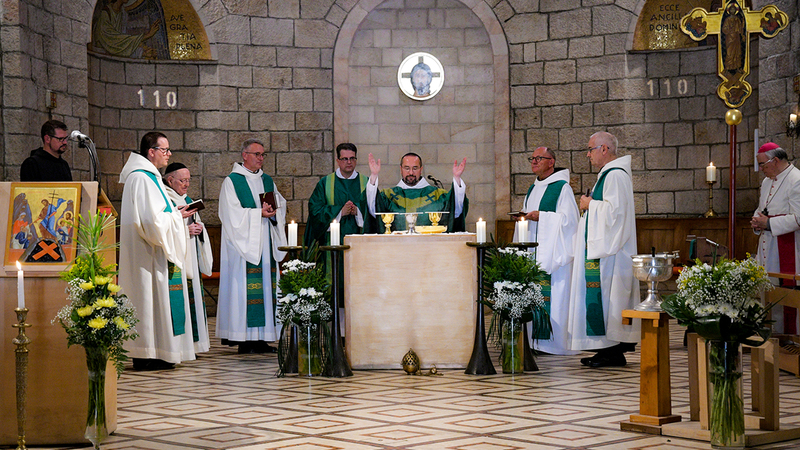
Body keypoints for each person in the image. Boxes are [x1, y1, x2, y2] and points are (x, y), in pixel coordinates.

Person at [119, 132, 196, 370]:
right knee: (148, 300)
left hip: (154, 252)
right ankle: (147, 354)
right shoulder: (141, 178)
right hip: (148, 255)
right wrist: (177, 216)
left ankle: (159, 352)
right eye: (165, 150)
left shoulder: (150, 178)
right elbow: (151, 223)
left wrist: (175, 215)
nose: (169, 154)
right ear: (151, 152)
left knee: (155, 301)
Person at [568, 131, 639, 368]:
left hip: (610, 255)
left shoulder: (615, 176)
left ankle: (611, 351)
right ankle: (606, 350)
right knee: (606, 302)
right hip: (604, 252)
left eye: (590, 149)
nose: (588, 154)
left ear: (604, 149)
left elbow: (615, 215)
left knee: (609, 300)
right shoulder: (608, 175)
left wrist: (590, 204)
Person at [217, 139, 287, 354]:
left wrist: (275, 212)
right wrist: (259, 214)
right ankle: (245, 339)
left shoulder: (267, 180)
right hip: (243, 249)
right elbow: (230, 214)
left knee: (267, 288)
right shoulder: (232, 181)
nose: (260, 158)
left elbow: (280, 203)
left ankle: (263, 338)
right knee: (244, 290)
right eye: (257, 154)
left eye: (263, 154)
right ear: (244, 155)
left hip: (265, 244)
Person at [513, 147, 580, 356]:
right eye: (532, 158)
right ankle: (535, 343)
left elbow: (570, 222)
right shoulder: (533, 188)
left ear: (551, 162)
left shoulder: (562, 188)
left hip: (553, 257)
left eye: (538, 158)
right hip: (534, 253)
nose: (534, 162)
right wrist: (523, 218)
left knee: (554, 296)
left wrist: (542, 216)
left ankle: (553, 344)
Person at [751, 142, 800, 334]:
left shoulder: (796, 179)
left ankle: (788, 344)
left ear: (776, 160)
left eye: (763, 164)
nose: (761, 169)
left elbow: (798, 218)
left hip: (788, 251)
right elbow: (763, 208)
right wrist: (757, 222)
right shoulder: (766, 182)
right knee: (768, 297)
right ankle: (772, 344)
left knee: (786, 299)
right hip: (768, 249)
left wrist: (769, 224)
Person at [163, 162, 213, 354]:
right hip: (176, 258)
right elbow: (165, 228)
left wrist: (199, 230)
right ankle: (181, 347)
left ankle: (194, 346)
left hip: (190, 253)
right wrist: (185, 230)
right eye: (182, 180)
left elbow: (196, 224)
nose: (186, 185)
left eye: (188, 181)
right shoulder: (166, 199)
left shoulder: (188, 199)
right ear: (170, 180)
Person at [366, 152, 468, 232]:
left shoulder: (438, 195)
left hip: (430, 251)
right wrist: (374, 175)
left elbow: (456, 210)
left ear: (421, 169)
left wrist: (457, 178)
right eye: (407, 168)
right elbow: (373, 210)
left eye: (415, 168)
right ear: (401, 169)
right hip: (397, 250)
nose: (411, 173)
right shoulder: (388, 196)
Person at [304, 143, 371, 248]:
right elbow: (315, 210)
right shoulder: (325, 183)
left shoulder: (367, 182)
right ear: (338, 161)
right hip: (330, 244)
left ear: (356, 160)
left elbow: (376, 209)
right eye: (344, 159)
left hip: (361, 243)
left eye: (352, 158)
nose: (349, 162)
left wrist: (358, 211)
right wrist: (340, 212)